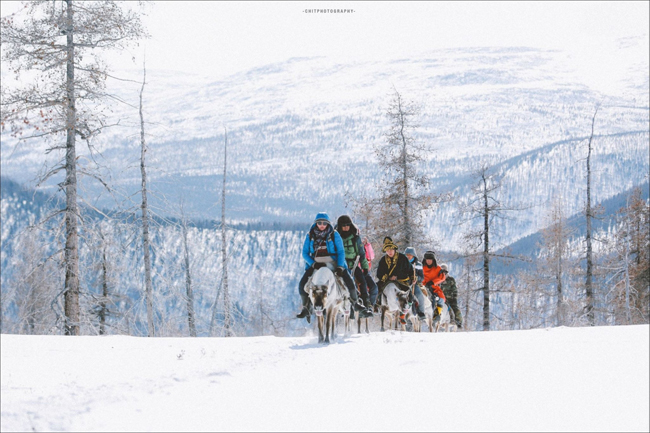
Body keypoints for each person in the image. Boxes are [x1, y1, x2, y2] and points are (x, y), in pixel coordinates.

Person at [296, 212, 366, 321]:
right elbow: (305, 253)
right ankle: (307, 307)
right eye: (319, 222)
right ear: (316, 223)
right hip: (316, 263)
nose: (322, 225)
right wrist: (313, 264)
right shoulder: (310, 235)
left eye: (324, 223)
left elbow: (341, 251)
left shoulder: (334, 234)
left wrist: (339, 266)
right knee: (302, 285)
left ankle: (355, 303)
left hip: (333, 262)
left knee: (350, 282)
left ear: (328, 223)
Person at [335, 215, 374, 317]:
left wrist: (365, 267)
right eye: (343, 226)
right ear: (340, 226)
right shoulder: (336, 238)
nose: (346, 227)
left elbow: (361, 254)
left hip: (353, 264)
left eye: (348, 225)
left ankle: (366, 305)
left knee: (362, 282)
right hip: (340, 265)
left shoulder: (355, 238)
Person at [375, 237, 414, 323]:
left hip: (401, 281)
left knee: (409, 293)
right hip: (387, 281)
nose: (389, 252)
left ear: (394, 249)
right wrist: (388, 277)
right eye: (387, 250)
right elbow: (379, 273)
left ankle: (406, 310)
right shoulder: (383, 260)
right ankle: (376, 306)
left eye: (391, 249)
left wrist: (412, 278)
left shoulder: (403, 258)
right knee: (375, 289)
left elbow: (410, 270)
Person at [421, 250, 447, 321]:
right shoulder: (421, 268)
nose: (428, 261)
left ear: (433, 260)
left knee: (441, 299)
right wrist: (424, 283)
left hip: (434, 287)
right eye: (427, 259)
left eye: (430, 259)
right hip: (423, 287)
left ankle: (437, 314)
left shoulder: (438, 268)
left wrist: (433, 282)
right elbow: (418, 277)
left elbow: (442, 277)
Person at [404, 247, 427, 321]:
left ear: (413, 255)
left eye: (409, 254)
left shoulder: (418, 264)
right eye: (406, 254)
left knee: (419, 295)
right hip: (404, 283)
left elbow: (422, 277)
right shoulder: (402, 263)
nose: (408, 256)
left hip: (414, 284)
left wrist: (416, 279)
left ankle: (421, 312)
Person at [439, 264, 463, 328]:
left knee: (455, 308)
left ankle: (458, 321)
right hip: (440, 298)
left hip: (450, 298)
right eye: (442, 271)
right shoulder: (438, 279)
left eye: (444, 271)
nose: (443, 273)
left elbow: (454, 289)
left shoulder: (451, 280)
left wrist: (454, 298)